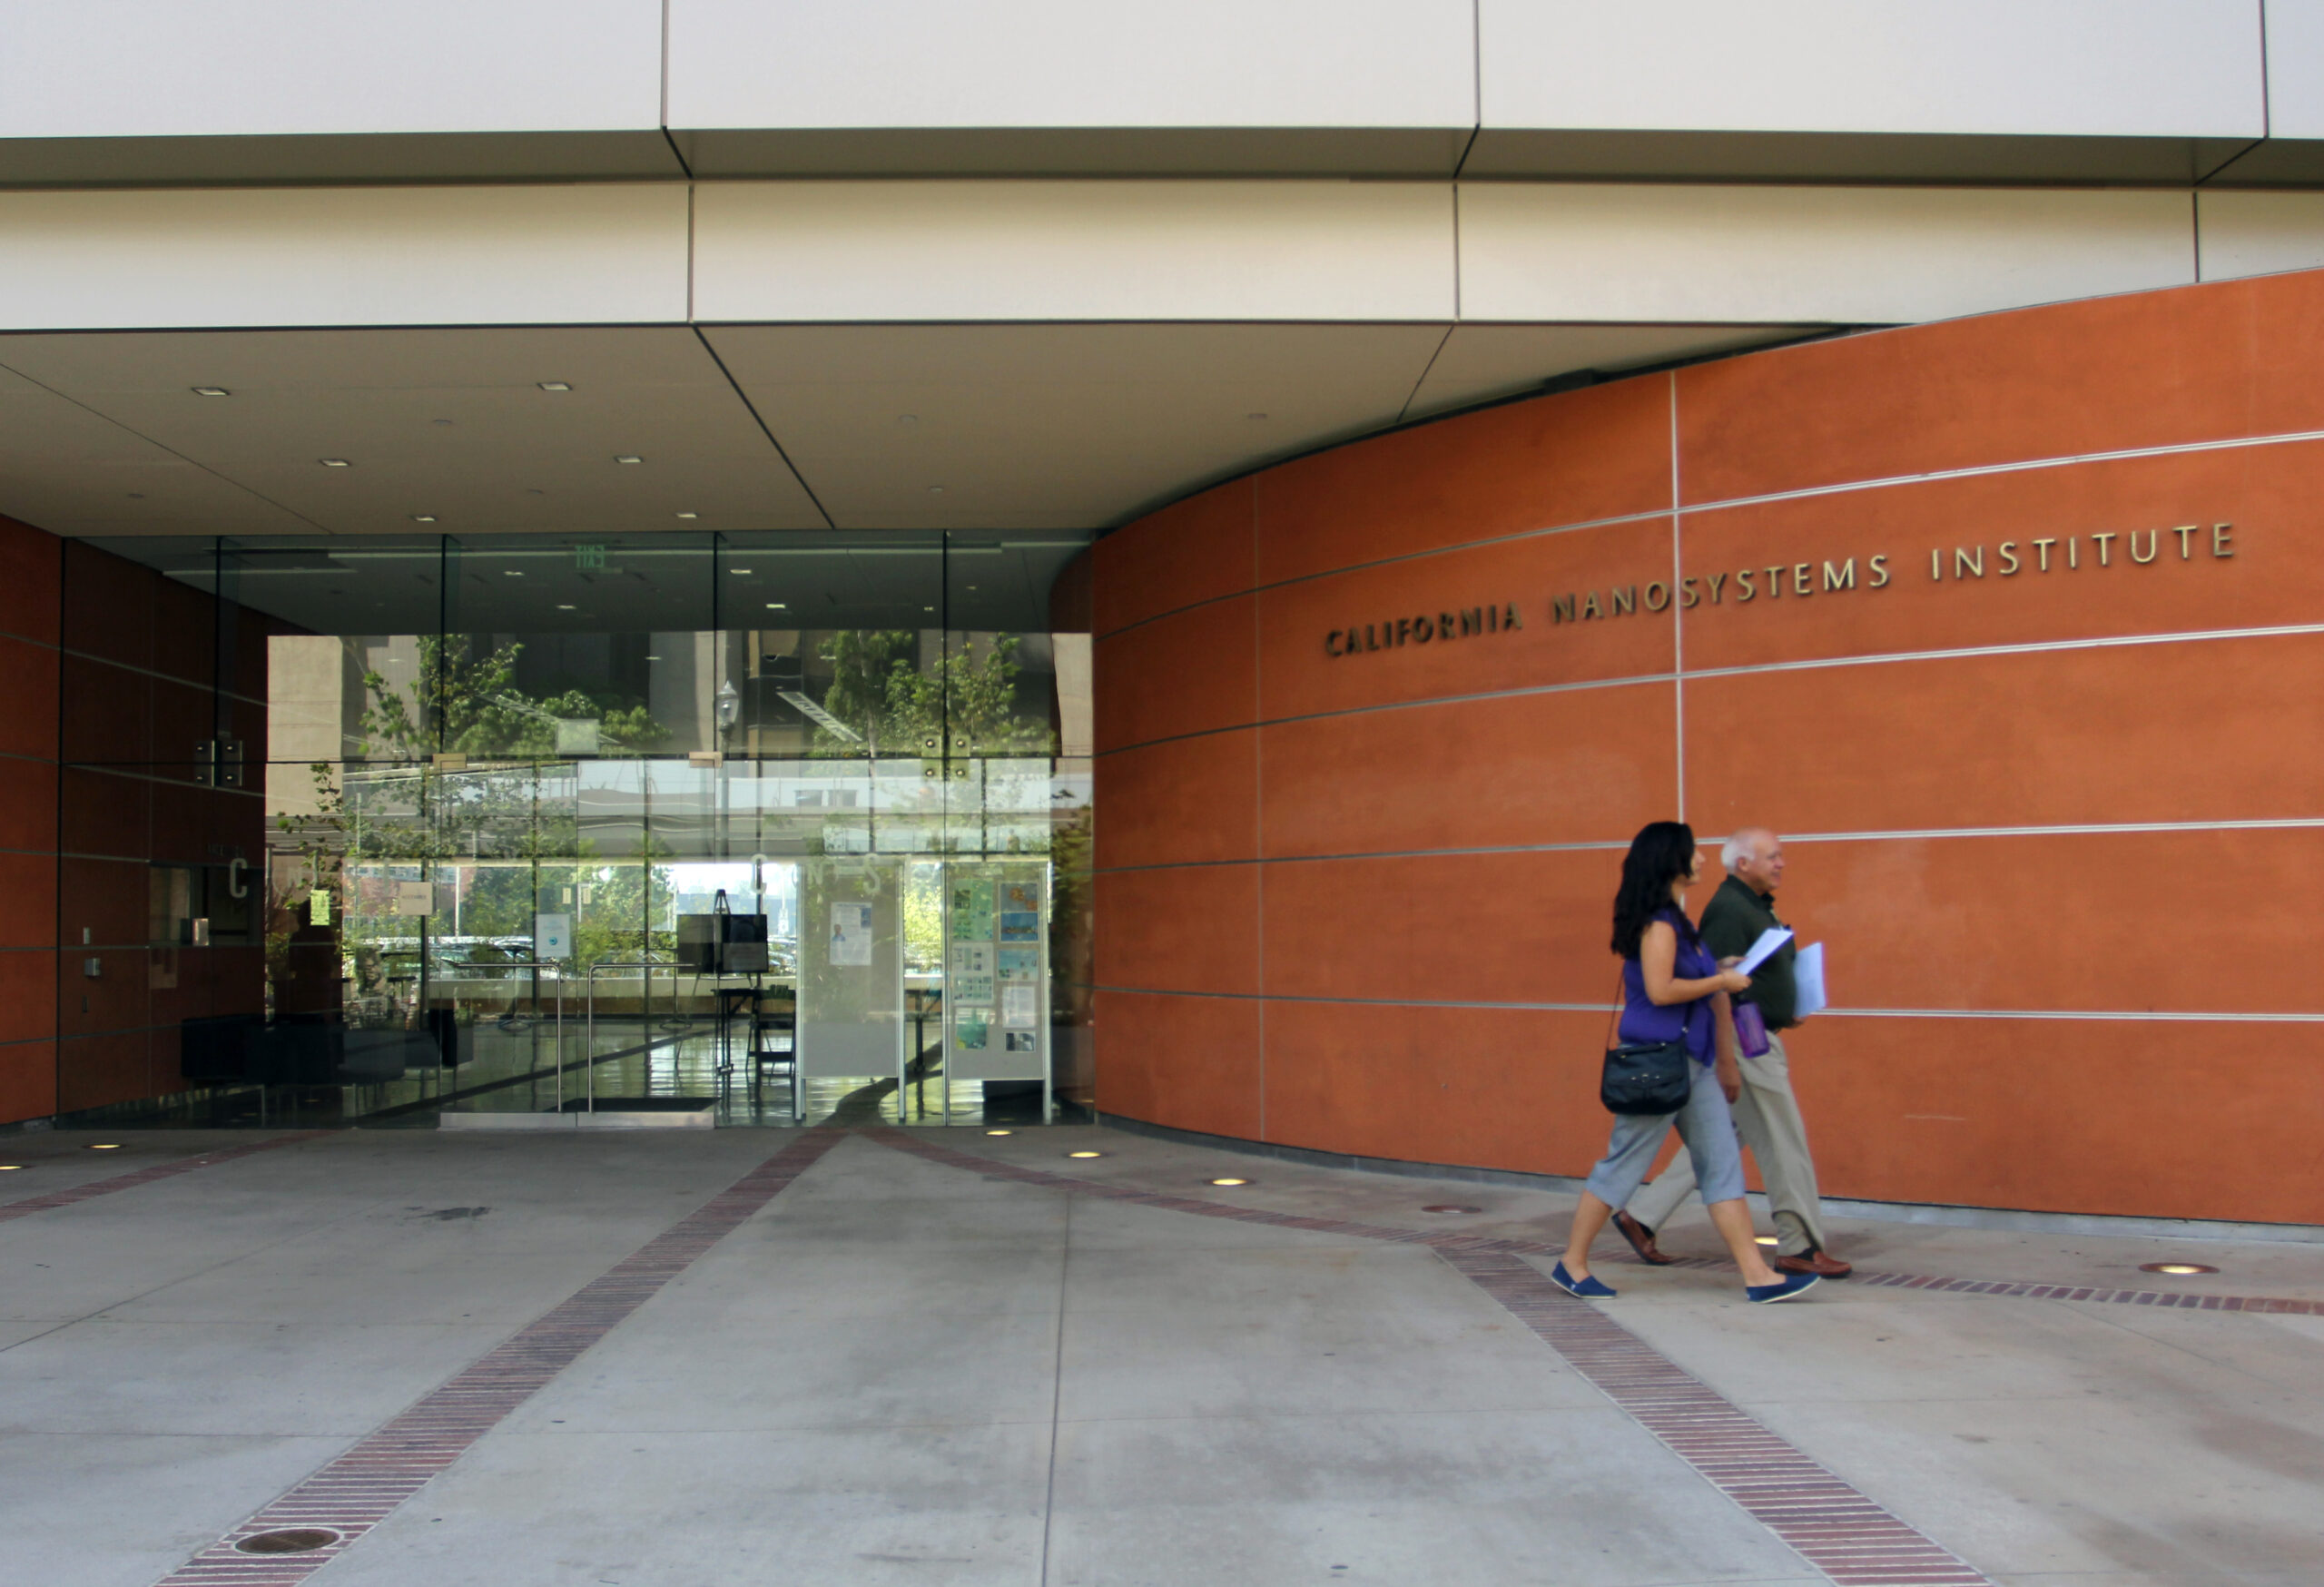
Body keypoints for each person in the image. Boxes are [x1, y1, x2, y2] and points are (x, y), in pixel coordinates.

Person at [1553, 822, 1820, 1305]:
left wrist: (1720, 971)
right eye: (1694, 852)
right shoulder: (1658, 923)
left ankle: (1758, 1276)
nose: (1701, 860)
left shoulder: (1679, 922)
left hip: (1691, 1065)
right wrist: (1721, 983)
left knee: (1721, 1168)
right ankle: (1571, 1263)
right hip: (1659, 1064)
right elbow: (1661, 991)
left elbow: (1681, 978)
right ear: (1672, 862)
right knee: (1621, 1167)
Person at [1612, 827, 1851, 1278]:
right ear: (1744, 864)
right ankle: (1799, 1244)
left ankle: (1642, 1215)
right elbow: (1715, 986)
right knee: (1784, 1139)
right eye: (1773, 856)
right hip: (1746, 1037)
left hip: (1754, 1032)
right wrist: (1726, 1055)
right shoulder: (1728, 909)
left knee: (1721, 1139)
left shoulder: (1754, 906)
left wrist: (1788, 1005)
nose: (1782, 863)